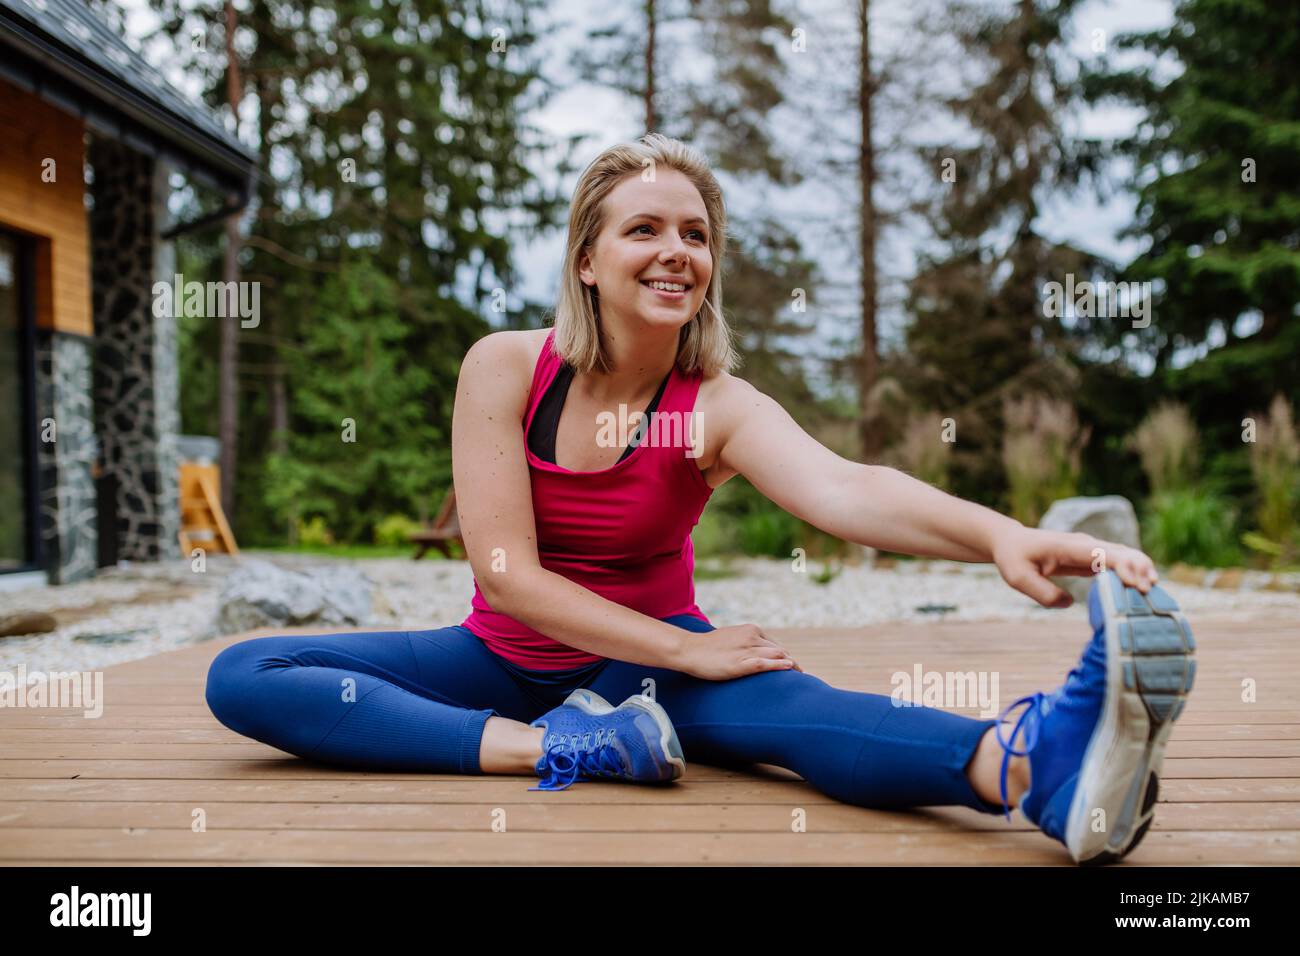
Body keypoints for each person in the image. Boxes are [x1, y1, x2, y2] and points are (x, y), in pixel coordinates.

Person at [205, 133, 1196, 865]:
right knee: (249, 672)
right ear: (586, 260)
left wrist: (1003, 534)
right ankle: (558, 748)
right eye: (644, 228)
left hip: (656, 677)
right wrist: (674, 653)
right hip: (505, 665)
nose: (676, 249)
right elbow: (505, 576)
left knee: (806, 716)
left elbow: (847, 487)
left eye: (695, 232)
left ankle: (1039, 770)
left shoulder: (713, 407)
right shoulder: (505, 368)